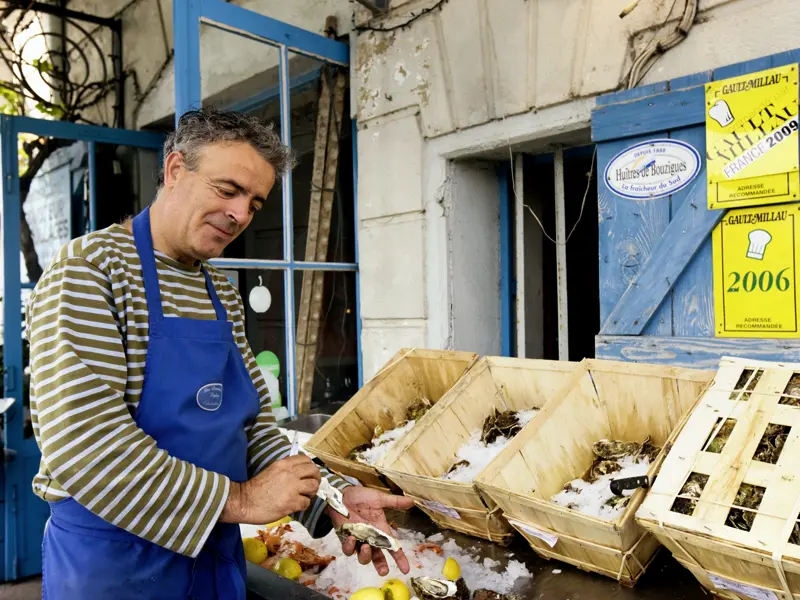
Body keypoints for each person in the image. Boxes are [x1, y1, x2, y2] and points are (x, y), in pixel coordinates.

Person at [26, 107, 415, 599]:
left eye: (255, 203)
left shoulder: (220, 293)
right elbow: (88, 450)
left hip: (214, 559)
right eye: (228, 190)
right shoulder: (89, 271)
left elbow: (250, 427)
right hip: (115, 563)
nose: (240, 215)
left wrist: (328, 495)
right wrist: (244, 499)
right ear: (173, 170)